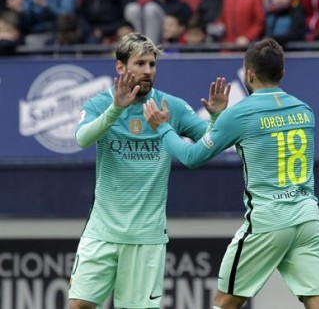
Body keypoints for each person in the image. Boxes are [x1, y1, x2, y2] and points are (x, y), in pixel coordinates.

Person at [143, 38, 319, 309]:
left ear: (249, 74)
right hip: (307, 219)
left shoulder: (241, 113)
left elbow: (192, 156)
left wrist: (163, 128)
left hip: (268, 221)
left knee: (225, 302)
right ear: (282, 73)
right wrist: (216, 120)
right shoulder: (305, 110)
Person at [68, 32, 226, 309]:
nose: (147, 71)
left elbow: (211, 145)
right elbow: (82, 139)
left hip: (147, 236)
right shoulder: (100, 104)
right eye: (140, 63)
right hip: (102, 231)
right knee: (78, 305)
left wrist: (215, 117)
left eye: (152, 64)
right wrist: (116, 109)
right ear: (120, 67)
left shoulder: (171, 107)